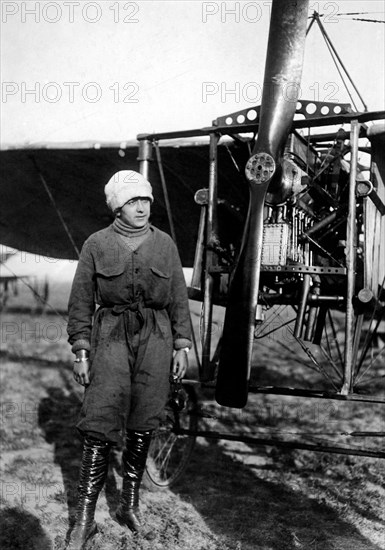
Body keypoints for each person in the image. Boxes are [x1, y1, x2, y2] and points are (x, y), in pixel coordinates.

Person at [66, 170, 191, 549]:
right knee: (99, 419)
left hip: (156, 335)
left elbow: (179, 297)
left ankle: (129, 505)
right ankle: (84, 519)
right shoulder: (96, 244)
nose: (141, 207)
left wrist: (182, 345)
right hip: (110, 336)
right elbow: (81, 302)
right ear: (117, 207)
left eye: (146, 200)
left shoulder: (165, 244)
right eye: (133, 201)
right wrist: (82, 351)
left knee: (145, 418)